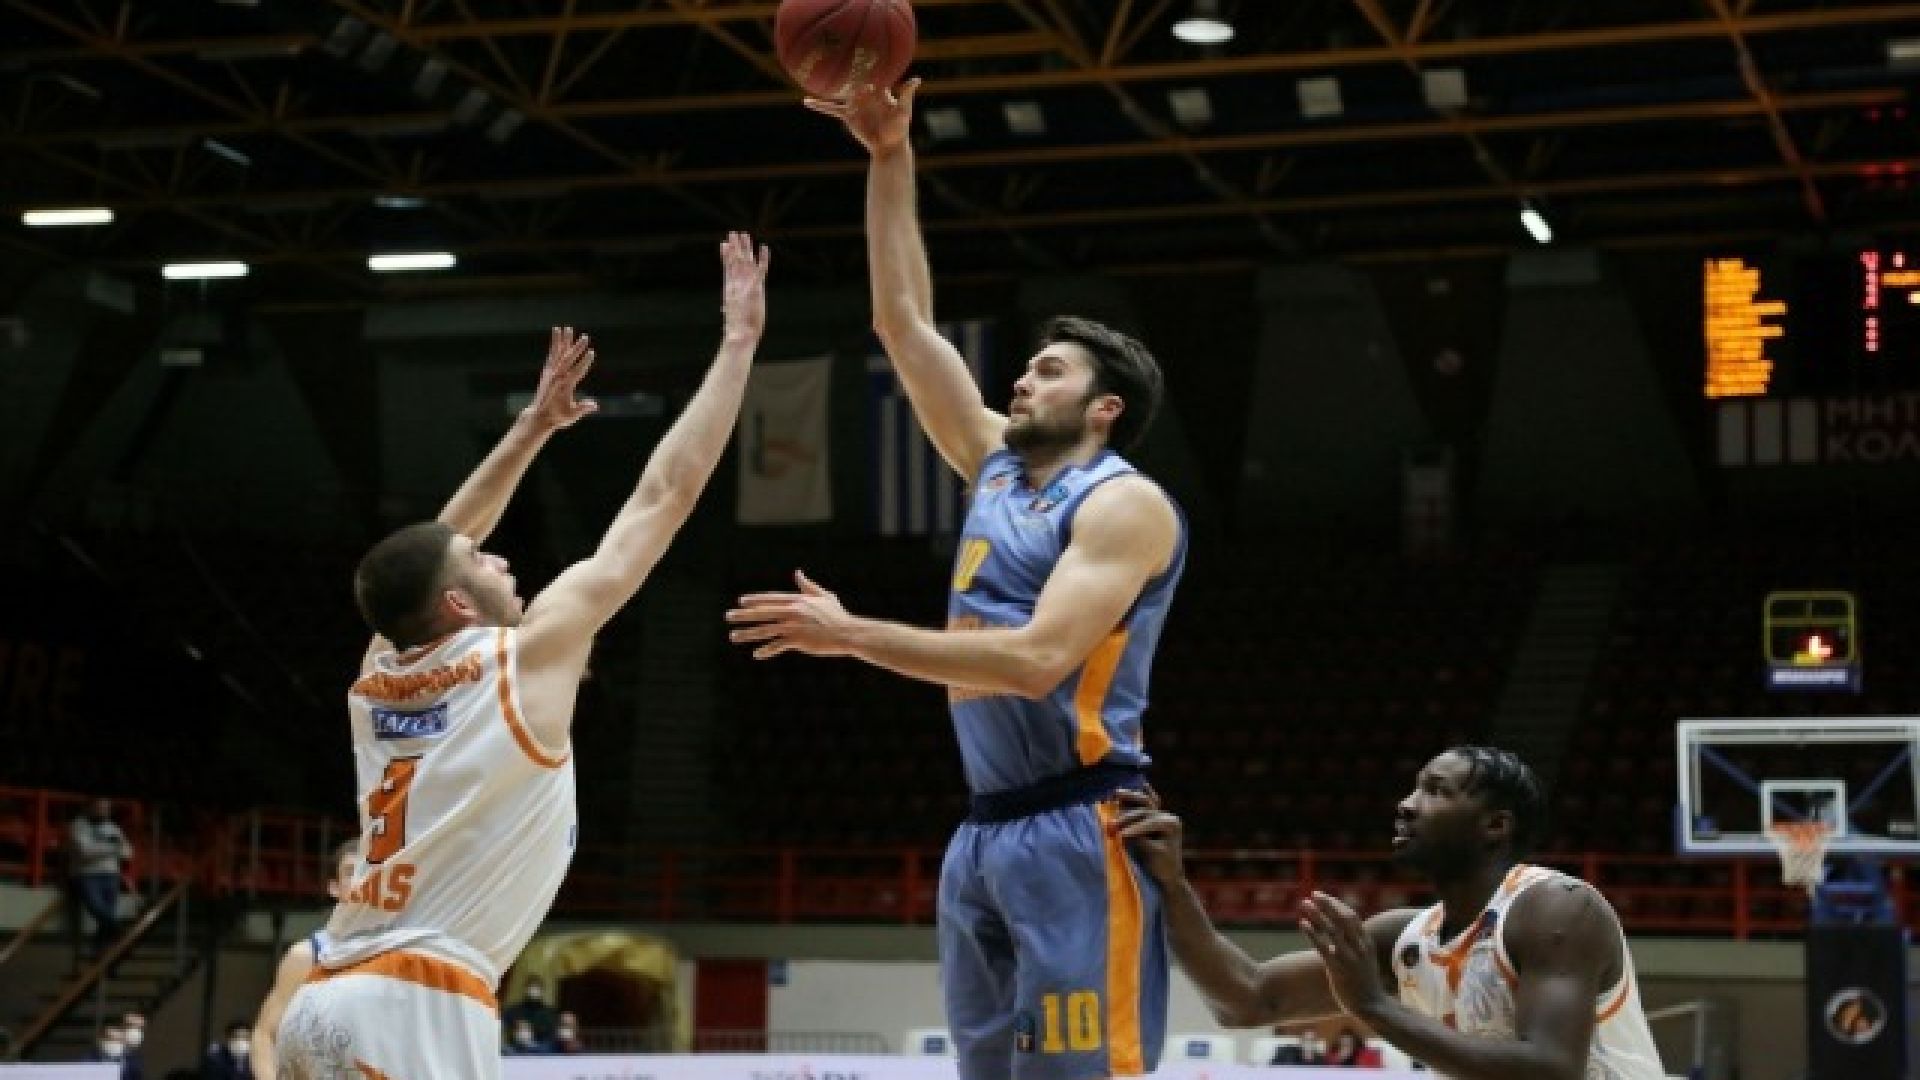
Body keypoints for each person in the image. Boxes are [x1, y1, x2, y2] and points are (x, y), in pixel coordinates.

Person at [729, 82, 1184, 1080]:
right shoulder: (995, 465)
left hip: (1080, 822)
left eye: (1049, 371)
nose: (1021, 380)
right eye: (1026, 368)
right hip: (983, 828)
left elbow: (1036, 662)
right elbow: (902, 323)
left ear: (1104, 407)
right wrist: (889, 154)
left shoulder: (1124, 506)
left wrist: (851, 634)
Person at [277, 233, 771, 1080]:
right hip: (419, 999)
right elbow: (664, 495)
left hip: (324, 995)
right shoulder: (528, 656)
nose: (500, 556)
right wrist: (737, 346)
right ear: (459, 604)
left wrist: (532, 427)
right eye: (484, 562)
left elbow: (439, 541)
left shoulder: (378, 672)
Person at [1116, 746, 1667, 1080]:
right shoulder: (1405, 938)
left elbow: (1550, 1070)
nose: (1406, 804)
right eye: (1413, 789)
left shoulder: (1556, 908)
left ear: (1495, 825)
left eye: (1435, 791)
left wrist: (1372, 1007)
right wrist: (1172, 885)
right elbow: (1248, 999)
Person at [250, 840, 358, 1080]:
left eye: (369, 871)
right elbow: (265, 1037)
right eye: (351, 871)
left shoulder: (407, 949)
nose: (362, 879)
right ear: (334, 887)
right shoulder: (307, 955)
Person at [68, 797, 132, 960]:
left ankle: (101, 954)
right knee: (97, 908)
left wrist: (107, 848)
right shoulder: (78, 826)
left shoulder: (114, 828)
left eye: (106, 807)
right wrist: (113, 848)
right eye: (100, 807)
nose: (104, 810)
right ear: (90, 807)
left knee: (107, 916)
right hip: (87, 874)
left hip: (111, 874)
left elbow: (127, 852)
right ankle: (119, 930)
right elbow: (85, 852)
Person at [501, 977, 558, 1044]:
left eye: (537, 989)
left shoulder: (549, 1012)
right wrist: (516, 1027)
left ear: (542, 992)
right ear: (525, 990)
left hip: (539, 1047)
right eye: (531, 988)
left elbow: (551, 1033)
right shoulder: (513, 1010)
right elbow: (503, 1028)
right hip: (515, 1046)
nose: (534, 991)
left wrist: (532, 1029)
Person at [117, 1010, 148, 1080]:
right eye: (130, 1025)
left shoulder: (136, 1060)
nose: (135, 1031)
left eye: (140, 1028)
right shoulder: (100, 1055)